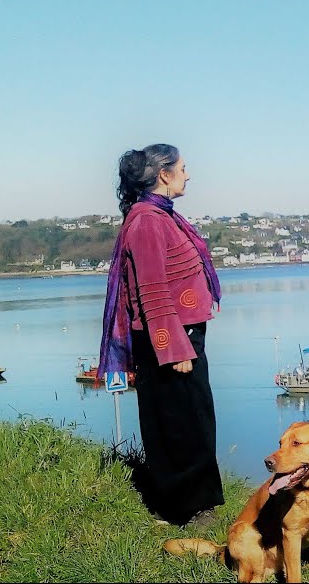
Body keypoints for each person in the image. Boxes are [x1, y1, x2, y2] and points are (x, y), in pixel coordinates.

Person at [97, 144, 224, 527]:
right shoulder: (148, 220)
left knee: (183, 417)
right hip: (170, 338)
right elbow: (151, 289)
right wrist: (174, 347)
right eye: (183, 168)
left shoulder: (159, 215)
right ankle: (192, 508)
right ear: (163, 175)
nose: (189, 174)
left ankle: (177, 503)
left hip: (177, 334)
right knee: (183, 421)